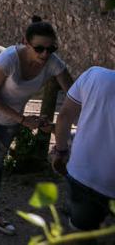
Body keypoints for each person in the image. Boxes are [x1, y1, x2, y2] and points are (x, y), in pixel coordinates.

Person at [0, 16, 73, 235]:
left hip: (9, 117)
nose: (45, 54)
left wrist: (62, 122)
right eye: (39, 48)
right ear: (25, 42)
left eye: (51, 49)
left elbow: (74, 94)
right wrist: (23, 120)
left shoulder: (53, 63)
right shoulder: (9, 58)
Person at [50, 66, 114, 236]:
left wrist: (61, 152)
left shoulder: (93, 75)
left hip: (83, 174)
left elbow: (64, 116)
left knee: (80, 233)